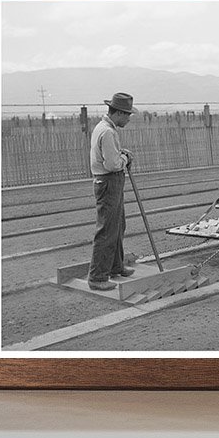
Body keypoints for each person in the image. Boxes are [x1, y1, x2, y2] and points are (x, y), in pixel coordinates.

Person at [86, 92, 137, 291]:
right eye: (127, 115)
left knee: (118, 225)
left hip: (110, 182)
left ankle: (115, 267)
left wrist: (121, 152)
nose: (128, 119)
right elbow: (113, 164)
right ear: (118, 113)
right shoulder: (107, 132)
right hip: (108, 182)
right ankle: (98, 277)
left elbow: (111, 155)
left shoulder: (105, 128)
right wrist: (126, 159)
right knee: (107, 230)